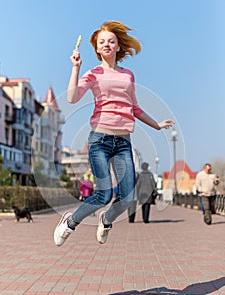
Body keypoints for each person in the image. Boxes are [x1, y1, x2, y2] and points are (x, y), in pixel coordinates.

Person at [54, 20, 174, 246]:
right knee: (104, 194)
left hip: (123, 142)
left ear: (118, 47)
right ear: (97, 49)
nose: (107, 44)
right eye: (102, 42)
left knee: (128, 197)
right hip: (99, 140)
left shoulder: (128, 75)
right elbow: (71, 98)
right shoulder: (93, 73)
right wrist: (75, 68)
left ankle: (106, 220)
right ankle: (70, 222)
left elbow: (134, 108)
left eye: (111, 41)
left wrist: (156, 125)